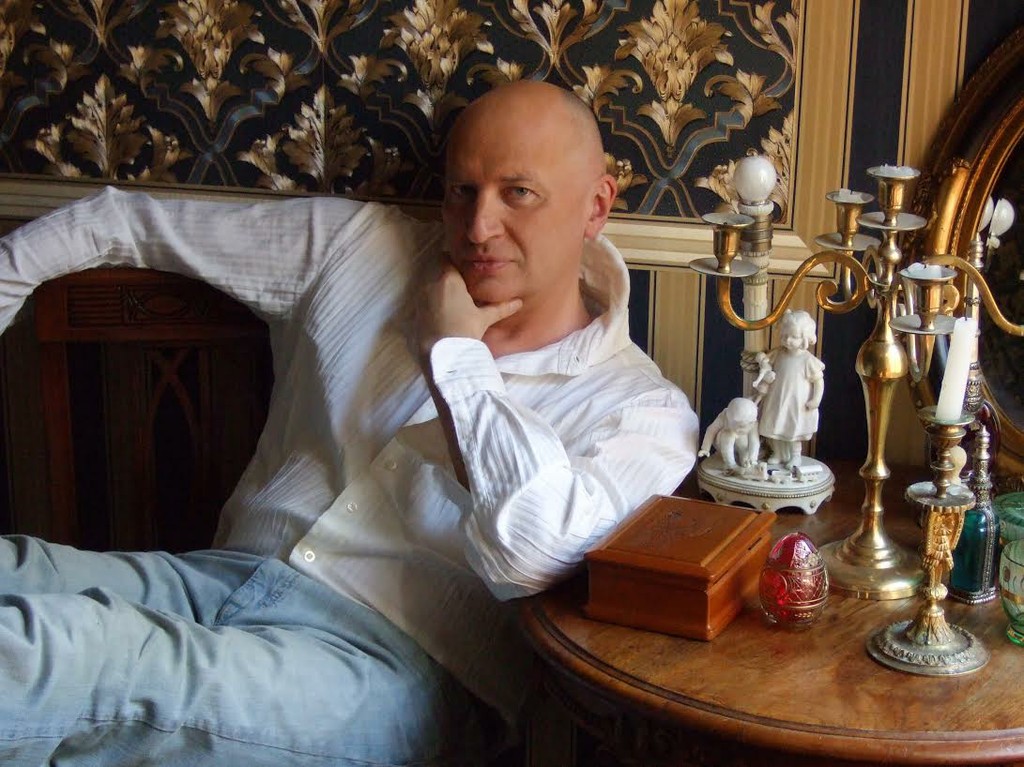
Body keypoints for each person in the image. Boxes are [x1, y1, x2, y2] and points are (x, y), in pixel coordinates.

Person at [0, 80, 699, 765]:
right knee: (17, 575)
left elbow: (531, 549)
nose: (478, 226)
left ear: (596, 205)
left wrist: (453, 357)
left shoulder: (644, 411)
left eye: (518, 192)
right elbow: (125, 221)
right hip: (218, 581)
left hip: (391, 674)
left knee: (57, 654)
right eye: (462, 190)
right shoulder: (359, 248)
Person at [755, 309, 825, 469]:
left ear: (805, 338)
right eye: (785, 335)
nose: (787, 340)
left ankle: (795, 456)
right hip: (777, 397)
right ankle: (778, 453)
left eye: (794, 337)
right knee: (775, 426)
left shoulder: (808, 360)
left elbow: (818, 382)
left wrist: (816, 399)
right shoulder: (779, 353)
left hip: (796, 402)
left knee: (793, 429)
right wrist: (762, 361)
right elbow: (765, 360)